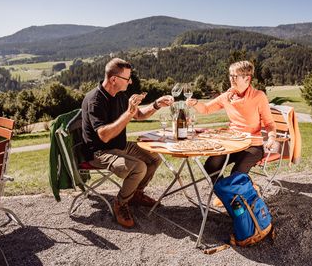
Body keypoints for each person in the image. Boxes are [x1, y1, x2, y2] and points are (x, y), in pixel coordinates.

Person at [82, 58, 174, 228]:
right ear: (113, 79)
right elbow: (104, 136)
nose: (130, 81)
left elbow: (138, 115)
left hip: (120, 146)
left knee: (155, 157)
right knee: (139, 167)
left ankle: (136, 194)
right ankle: (121, 203)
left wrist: (156, 104)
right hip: (100, 152)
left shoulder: (119, 94)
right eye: (127, 78)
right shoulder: (95, 100)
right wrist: (128, 114)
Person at [186, 60, 277, 203]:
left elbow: (270, 123)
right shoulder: (227, 96)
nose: (231, 79)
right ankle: (226, 196)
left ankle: (245, 193)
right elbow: (206, 109)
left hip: (253, 145)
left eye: (235, 76)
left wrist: (271, 138)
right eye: (230, 75)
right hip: (232, 143)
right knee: (211, 165)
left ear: (247, 78)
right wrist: (195, 103)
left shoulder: (258, 96)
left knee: (237, 175)